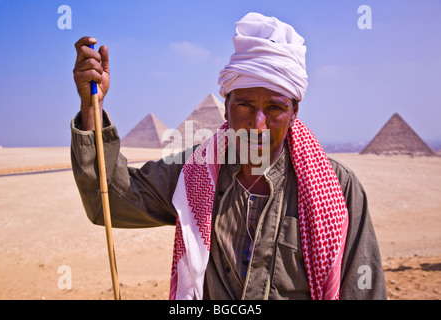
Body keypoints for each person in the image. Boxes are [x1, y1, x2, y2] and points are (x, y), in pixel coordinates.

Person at [71, 12, 387, 300]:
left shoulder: (337, 189)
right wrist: (91, 108)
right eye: (245, 105)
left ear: (294, 113)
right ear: (226, 107)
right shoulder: (193, 173)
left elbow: (363, 292)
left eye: (275, 107)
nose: (257, 124)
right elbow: (108, 202)